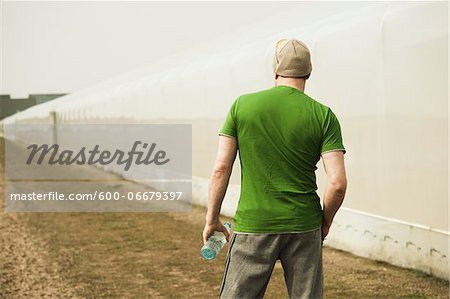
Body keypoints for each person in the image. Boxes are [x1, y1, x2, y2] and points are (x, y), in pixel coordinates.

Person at [202, 38, 347, 299]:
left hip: (254, 224)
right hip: (304, 224)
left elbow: (221, 168)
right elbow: (337, 183)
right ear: (309, 72)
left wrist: (212, 220)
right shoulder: (324, 115)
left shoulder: (241, 106)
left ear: (275, 71)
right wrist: (325, 221)